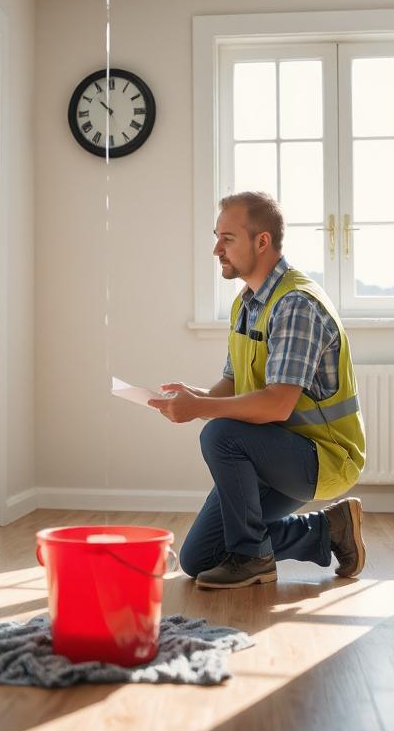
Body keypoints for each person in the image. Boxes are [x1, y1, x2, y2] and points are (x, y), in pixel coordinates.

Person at [148, 191, 367, 589]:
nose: (216, 249)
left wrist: (201, 410)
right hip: (272, 451)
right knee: (199, 558)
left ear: (262, 241)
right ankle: (329, 529)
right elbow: (232, 386)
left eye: (227, 238)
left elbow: (278, 405)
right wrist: (193, 398)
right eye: (217, 237)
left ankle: (253, 558)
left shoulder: (296, 304)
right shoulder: (246, 304)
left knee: (219, 432)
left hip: (322, 457)